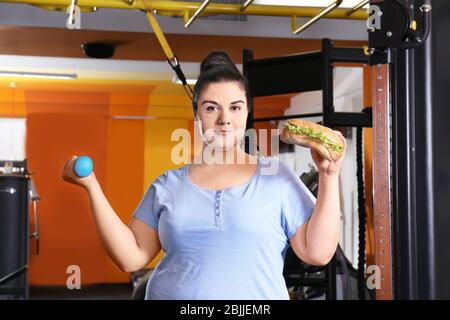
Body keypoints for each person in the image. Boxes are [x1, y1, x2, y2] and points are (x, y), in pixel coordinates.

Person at [62, 51, 346, 300]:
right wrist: (91, 186)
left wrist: (329, 175)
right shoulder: (167, 185)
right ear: (197, 114)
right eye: (212, 108)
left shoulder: (276, 177)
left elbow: (317, 252)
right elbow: (131, 257)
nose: (225, 120)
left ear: (247, 111)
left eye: (235, 107)